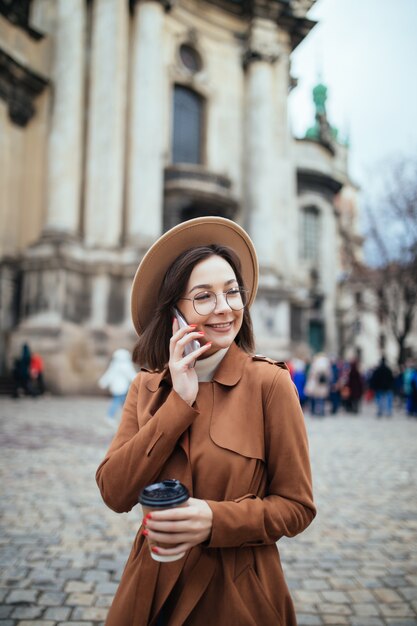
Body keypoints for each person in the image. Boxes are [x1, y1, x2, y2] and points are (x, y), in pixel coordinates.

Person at [96, 216, 316, 626]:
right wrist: (178, 401)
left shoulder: (270, 383)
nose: (225, 308)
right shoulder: (146, 388)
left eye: (232, 292)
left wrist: (215, 520)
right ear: (173, 312)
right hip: (150, 592)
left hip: (236, 596)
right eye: (203, 296)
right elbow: (115, 492)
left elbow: (296, 508)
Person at [98, 349, 137, 423]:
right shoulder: (126, 365)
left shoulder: (114, 365)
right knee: (120, 402)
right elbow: (131, 375)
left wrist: (103, 382)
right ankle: (111, 416)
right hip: (122, 387)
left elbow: (109, 375)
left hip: (115, 387)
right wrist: (140, 381)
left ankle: (126, 417)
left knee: (122, 402)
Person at [305, 352, 332, 416]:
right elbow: (329, 374)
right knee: (322, 398)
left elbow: (311, 373)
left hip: (316, 383)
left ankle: (314, 411)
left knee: (315, 397)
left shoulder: (315, 363)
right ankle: (321, 411)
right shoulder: (326, 363)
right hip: (323, 383)